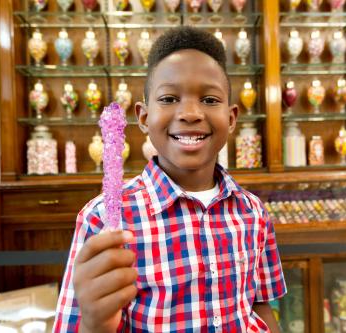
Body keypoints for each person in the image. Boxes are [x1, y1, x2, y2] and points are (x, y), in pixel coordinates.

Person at [53, 26, 287, 333]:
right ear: (144, 117)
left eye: (209, 99)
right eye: (168, 98)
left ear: (231, 119)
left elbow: (260, 306)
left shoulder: (253, 212)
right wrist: (95, 324)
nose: (190, 113)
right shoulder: (103, 219)